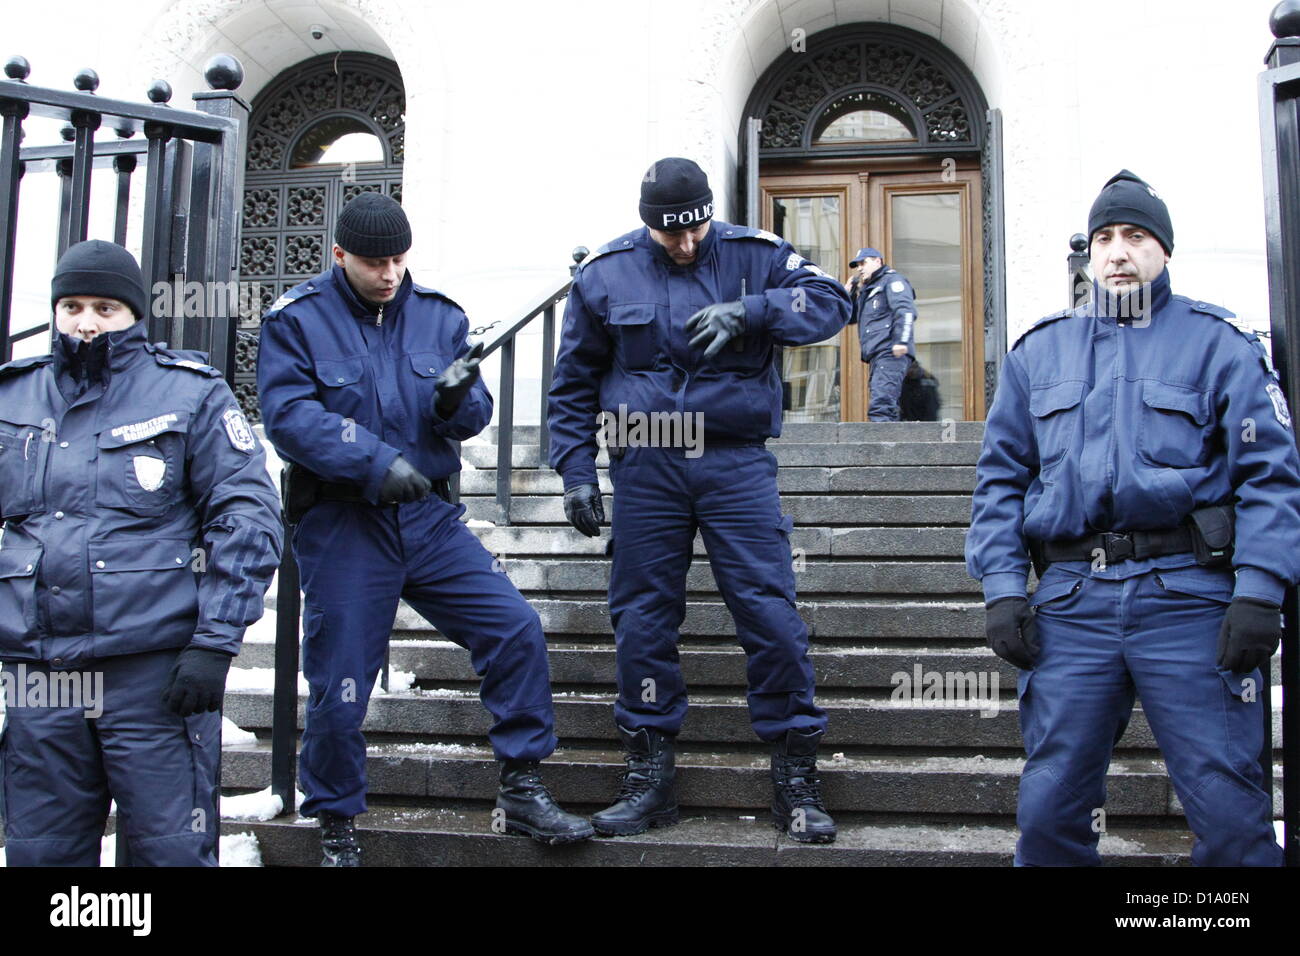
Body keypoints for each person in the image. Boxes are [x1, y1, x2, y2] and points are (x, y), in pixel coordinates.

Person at [966, 170, 1300, 866]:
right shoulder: (1039, 354)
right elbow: (1000, 479)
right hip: (1072, 605)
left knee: (1231, 811)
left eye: (1137, 235)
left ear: (1165, 250)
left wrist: (1261, 590)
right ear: (1090, 253)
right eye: (1106, 237)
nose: (1118, 251)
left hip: (1189, 600)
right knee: (1053, 807)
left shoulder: (1221, 344)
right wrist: (1001, 589)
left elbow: (1270, 474)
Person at [257, 191, 591, 865]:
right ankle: (337, 824)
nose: (389, 274)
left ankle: (523, 785)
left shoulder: (438, 316)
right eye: (374, 262)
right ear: (339, 255)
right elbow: (289, 416)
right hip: (346, 522)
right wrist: (375, 462)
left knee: (513, 627)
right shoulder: (297, 319)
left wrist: (452, 400)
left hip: (430, 521)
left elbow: (473, 413)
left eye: (399, 260)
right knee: (342, 677)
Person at [547, 158, 850, 843]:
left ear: (710, 211)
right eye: (667, 234)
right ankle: (650, 778)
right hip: (645, 458)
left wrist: (753, 311)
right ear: (646, 222)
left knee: (769, 610)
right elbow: (572, 385)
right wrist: (574, 471)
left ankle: (794, 776)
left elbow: (833, 303)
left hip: (732, 457)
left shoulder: (757, 254)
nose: (684, 245)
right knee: (642, 620)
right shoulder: (604, 272)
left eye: (693, 229)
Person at [0, 240, 282, 866]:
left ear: (133, 314)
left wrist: (215, 641)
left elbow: (248, 516)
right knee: (40, 854)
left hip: (152, 676)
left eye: (105, 306)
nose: (87, 321)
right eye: (71, 305)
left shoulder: (189, 394)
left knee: (169, 852)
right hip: (40, 677)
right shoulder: (12, 397)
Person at [847, 247, 917, 422]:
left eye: (864, 263)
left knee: (881, 407)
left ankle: (881, 448)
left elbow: (906, 311)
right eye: (857, 265)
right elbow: (850, 318)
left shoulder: (892, 281)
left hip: (890, 352)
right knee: (886, 406)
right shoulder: (868, 289)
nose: (860, 268)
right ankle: (890, 446)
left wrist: (901, 341)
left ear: (878, 261)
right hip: (878, 354)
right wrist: (847, 294)